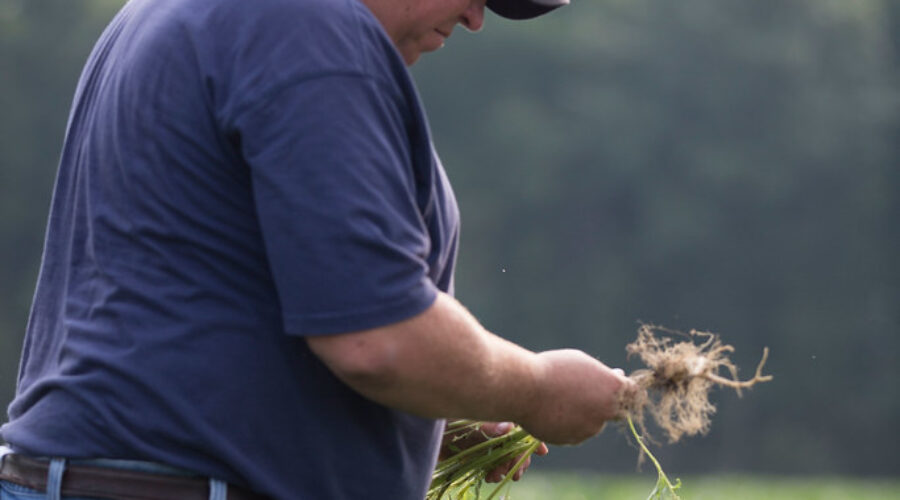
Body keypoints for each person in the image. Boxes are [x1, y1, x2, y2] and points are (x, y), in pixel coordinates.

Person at [0, 0, 635, 498]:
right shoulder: (309, 28)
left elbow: (207, 319)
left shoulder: (187, 14)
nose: (475, 17)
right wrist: (537, 389)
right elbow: (377, 342)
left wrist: (422, 420)